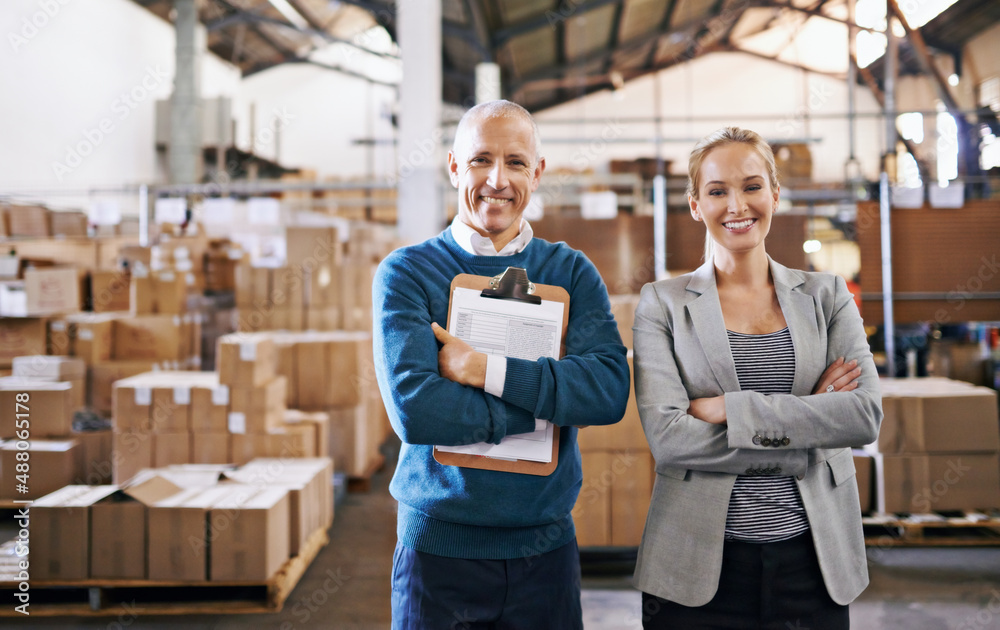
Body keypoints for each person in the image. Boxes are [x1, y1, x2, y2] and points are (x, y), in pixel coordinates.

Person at [372, 99, 630, 630]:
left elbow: (606, 391)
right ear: (452, 167)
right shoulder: (408, 273)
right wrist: (549, 403)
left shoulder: (570, 272)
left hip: (546, 553)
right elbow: (417, 411)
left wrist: (484, 371)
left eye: (515, 162)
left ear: (537, 173)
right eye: (480, 160)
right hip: (439, 553)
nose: (497, 179)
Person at [632, 127, 882, 629]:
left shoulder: (827, 295)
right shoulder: (662, 304)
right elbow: (670, 439)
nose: (736, 205)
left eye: (751, 186)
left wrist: (731, 409)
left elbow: (863, 415)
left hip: (814, 561)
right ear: (696, 205)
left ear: (775, 194)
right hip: (697, 565)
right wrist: (806, 432)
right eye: (717, 191)